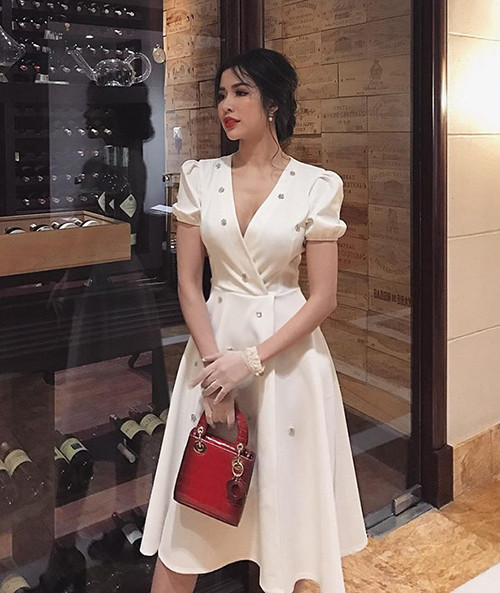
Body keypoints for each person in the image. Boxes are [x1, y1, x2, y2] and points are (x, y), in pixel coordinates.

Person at [140, 47, 368, 593]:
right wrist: (218, 369)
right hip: (212, 350)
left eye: (241, 92)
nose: (227, 104)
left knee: (292, 517)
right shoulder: (200, 177)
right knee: (189, 520)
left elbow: (324, 299)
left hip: (288, 361)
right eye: (221, 94)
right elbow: (189, 284)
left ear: (273, 103)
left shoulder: (316, 185)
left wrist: (250, 361)